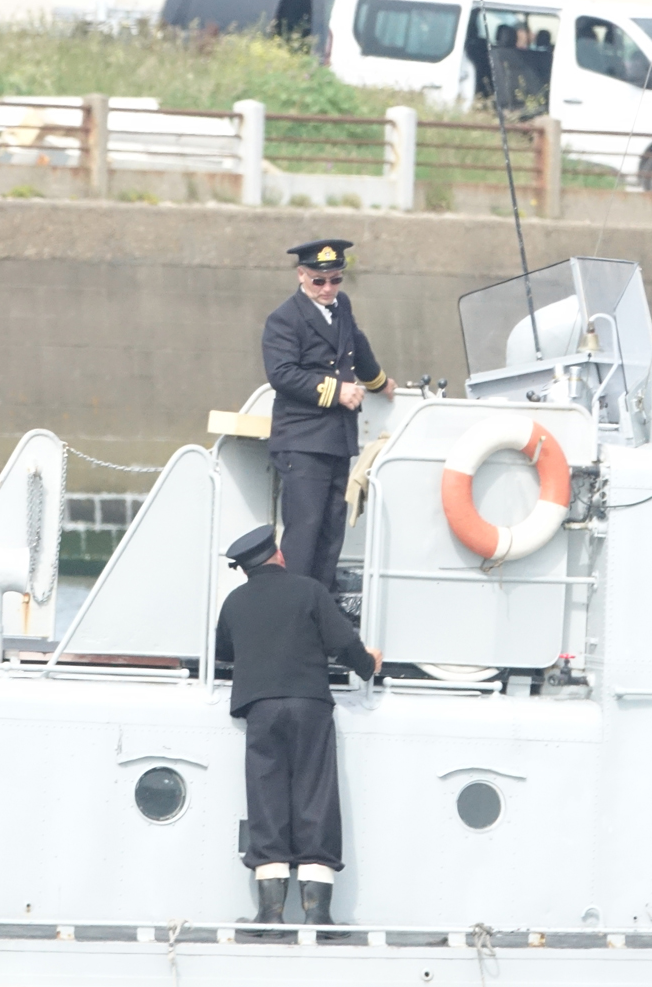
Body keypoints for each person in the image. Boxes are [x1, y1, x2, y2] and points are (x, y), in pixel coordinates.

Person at [214, 524, 381, 927]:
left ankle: (270, 914)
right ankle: (317, 914)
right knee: (316, 797)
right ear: (279, 556)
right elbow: (343, 643)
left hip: (261, 708)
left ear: (245, 568)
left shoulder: (234, 602)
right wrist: (368, 664)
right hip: (309, 706)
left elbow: (222, 653)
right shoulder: (309, 591)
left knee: (266, 799)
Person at [261, 239, 394, 596]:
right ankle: (290, 610)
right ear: (301, 275)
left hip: (336, 438)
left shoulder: (341, 306)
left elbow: (357, 346)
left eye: (335, 280)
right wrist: (336, 391)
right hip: (302, 440)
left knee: (331, 532)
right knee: (304, 532)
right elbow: (282, 374)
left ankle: (318, 609)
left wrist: (380, 382)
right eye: (319, 281)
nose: (328, 288)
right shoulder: (284, 319)